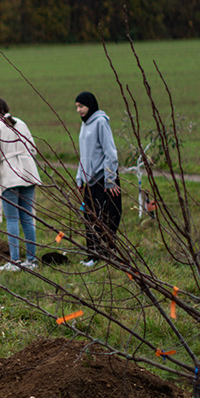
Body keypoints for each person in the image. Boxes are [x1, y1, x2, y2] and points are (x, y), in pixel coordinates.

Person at [0, 97, 42, 272]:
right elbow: (33, 149)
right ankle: (31, 260)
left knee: (12, 220)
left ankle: (15, 262)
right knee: (27, 218)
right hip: (28, 174)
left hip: (10, 177)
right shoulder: (21, 124)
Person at [75, 91, 122, 267]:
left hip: (104, 179)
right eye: (77, 107)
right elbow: (84, 155)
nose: (79, 110)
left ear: (91, 105)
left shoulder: (101, 122)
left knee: (106, 217)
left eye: (82, 106)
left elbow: (110, 153)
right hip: (90, 180)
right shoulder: (85, 124)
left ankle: (103, 255)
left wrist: (110, 179)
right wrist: (80, 178)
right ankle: (92, 255)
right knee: (89, 217)